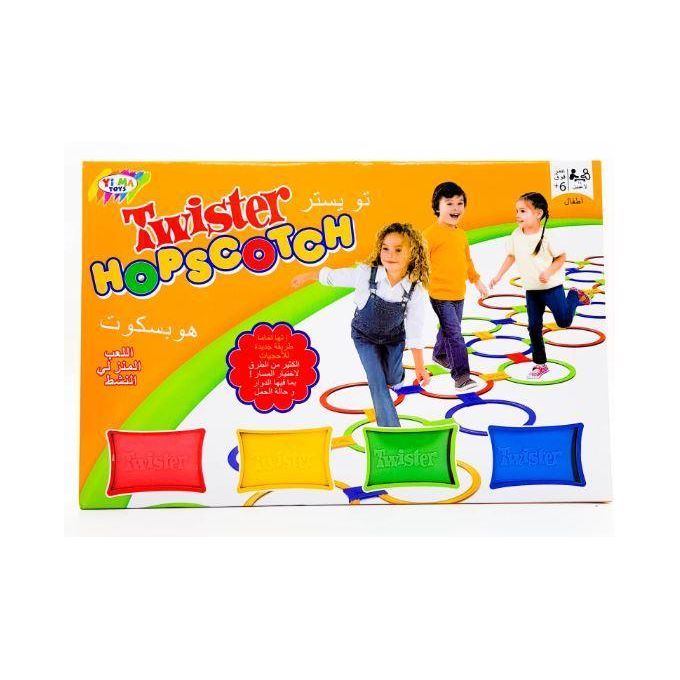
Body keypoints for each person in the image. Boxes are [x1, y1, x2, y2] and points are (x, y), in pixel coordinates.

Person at [292, 222, 430, 426]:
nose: (390, 255)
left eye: (398, 250)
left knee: (392, 378)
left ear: (413, 254)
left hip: (394, 339)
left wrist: (419, 367)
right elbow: (335, 277)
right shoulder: (366, 275)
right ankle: (391, 430)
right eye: (385, 248)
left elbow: (415, 329)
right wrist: (308, 276)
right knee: (377, 381)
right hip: (364, 337)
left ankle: (397, 375)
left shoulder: (414, 289)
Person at [490, 191, 591, 379]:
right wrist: (498, 275)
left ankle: (574, 295)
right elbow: (511, 256)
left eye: (523, 211)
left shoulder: (547, 237)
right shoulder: (516, 235)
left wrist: (549, 272)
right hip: (532, 290)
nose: (517, 215)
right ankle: (540, 364)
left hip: (552, 288)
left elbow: (561, 257)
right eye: (517, 211)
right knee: (533, 327)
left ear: (538, 213)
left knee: (564, 322)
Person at [424, 181, 488, 390]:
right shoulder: (430, 234)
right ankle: (461, 377)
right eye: (449, 203)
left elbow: (466, 260)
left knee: (449, 328)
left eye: (460, 203)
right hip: (439, 294)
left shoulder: (461, 234)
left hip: (458, 293)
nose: (456, 208)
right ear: (437, 206)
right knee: (455, 334)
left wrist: (476, 280)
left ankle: (439, 354)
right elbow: (420, 262)